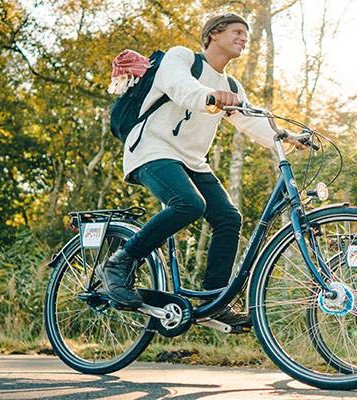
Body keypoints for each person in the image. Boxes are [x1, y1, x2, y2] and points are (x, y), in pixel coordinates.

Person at [96, 13, 301, 328]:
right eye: (237, 31)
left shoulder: (231, 85)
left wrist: (286, 137)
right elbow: (181, 87)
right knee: (189, 204)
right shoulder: (182, 58)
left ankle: (213, 301)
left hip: (191, 160)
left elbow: (252, 121)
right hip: (152, 148)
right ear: (214, 34)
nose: (243, 38)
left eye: (245, 35)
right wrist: (210, 97)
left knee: (228, 218)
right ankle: (120, 262)